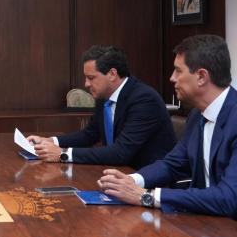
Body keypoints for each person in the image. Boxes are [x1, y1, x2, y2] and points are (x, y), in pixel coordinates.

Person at [99, 35, 237, 218]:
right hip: (204, 222)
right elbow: (173, 164)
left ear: (202, 77)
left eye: (178, 71)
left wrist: (148, 196)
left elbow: (229, 198)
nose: (172, 78)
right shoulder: (197, 115)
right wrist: (131, 181)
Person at [27, 45, 176, 169]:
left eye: (91, 78)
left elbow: (121, 152)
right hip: (116, 173)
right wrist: (50, 141)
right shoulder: (104, 96)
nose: (86, 84)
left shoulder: (143, 99)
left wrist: (63, 153)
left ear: (112, 74)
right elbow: (89, 135)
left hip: (147, 179)